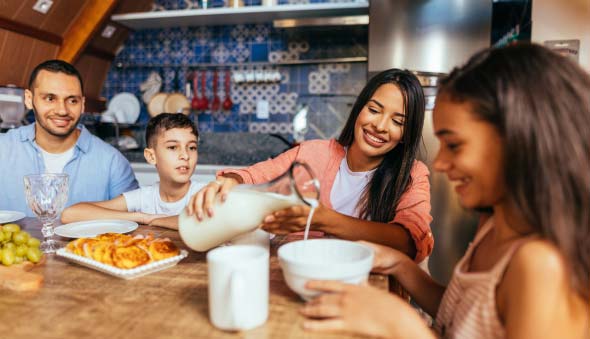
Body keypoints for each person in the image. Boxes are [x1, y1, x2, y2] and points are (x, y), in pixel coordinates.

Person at [298, 43, 590, 338]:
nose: (439, 163)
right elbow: (457, 319)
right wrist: (398, 263)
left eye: (454, 145)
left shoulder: (541, 265)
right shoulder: (493, 227)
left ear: (519, 143)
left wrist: (403, 326)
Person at [188, 69, 433, 262]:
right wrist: (231, 181)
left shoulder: (412, 175)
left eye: (397, 121)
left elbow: (410, 241)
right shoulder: (314, 152)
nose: (380, 125)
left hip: (367, 292)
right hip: (298, 280)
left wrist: (322, 219)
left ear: (406, 133)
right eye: (373, 110)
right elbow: (256, 175)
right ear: (359, 110)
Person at [0, 59, 138, 216]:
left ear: (83, 104)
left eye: (72, 100)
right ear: (29, 99)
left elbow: (134, 228)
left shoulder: (113, 163)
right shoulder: (2, 150)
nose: (62, 110)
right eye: (50, 98)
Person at [61, 113, 200, 229]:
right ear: (151, 156)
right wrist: (141, 217)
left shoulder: (205, 193)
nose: (185, 155)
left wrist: (155, 221)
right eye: (173, 147)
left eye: (192, 147)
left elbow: (197, 222)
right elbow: (70, 214)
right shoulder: (143, 197)